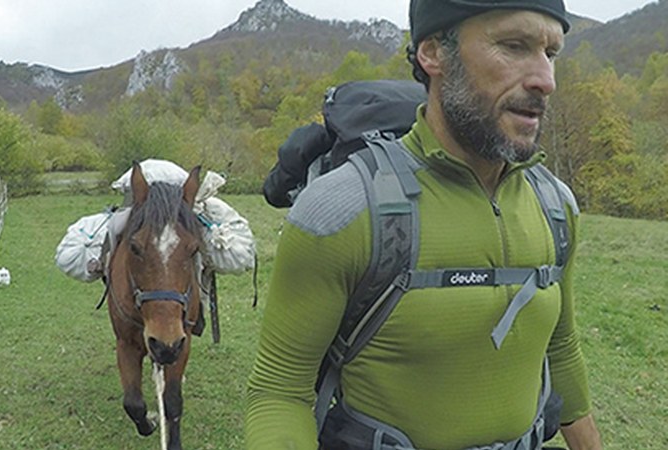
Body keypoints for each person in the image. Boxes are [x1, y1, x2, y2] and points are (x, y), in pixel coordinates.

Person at [245, 0, 603, 449]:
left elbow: (561, 349)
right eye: (514, 46)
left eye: (551, 54)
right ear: (433, 53)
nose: (545, 80)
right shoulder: (344, 209)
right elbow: (280, 392)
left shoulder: (555, 205)